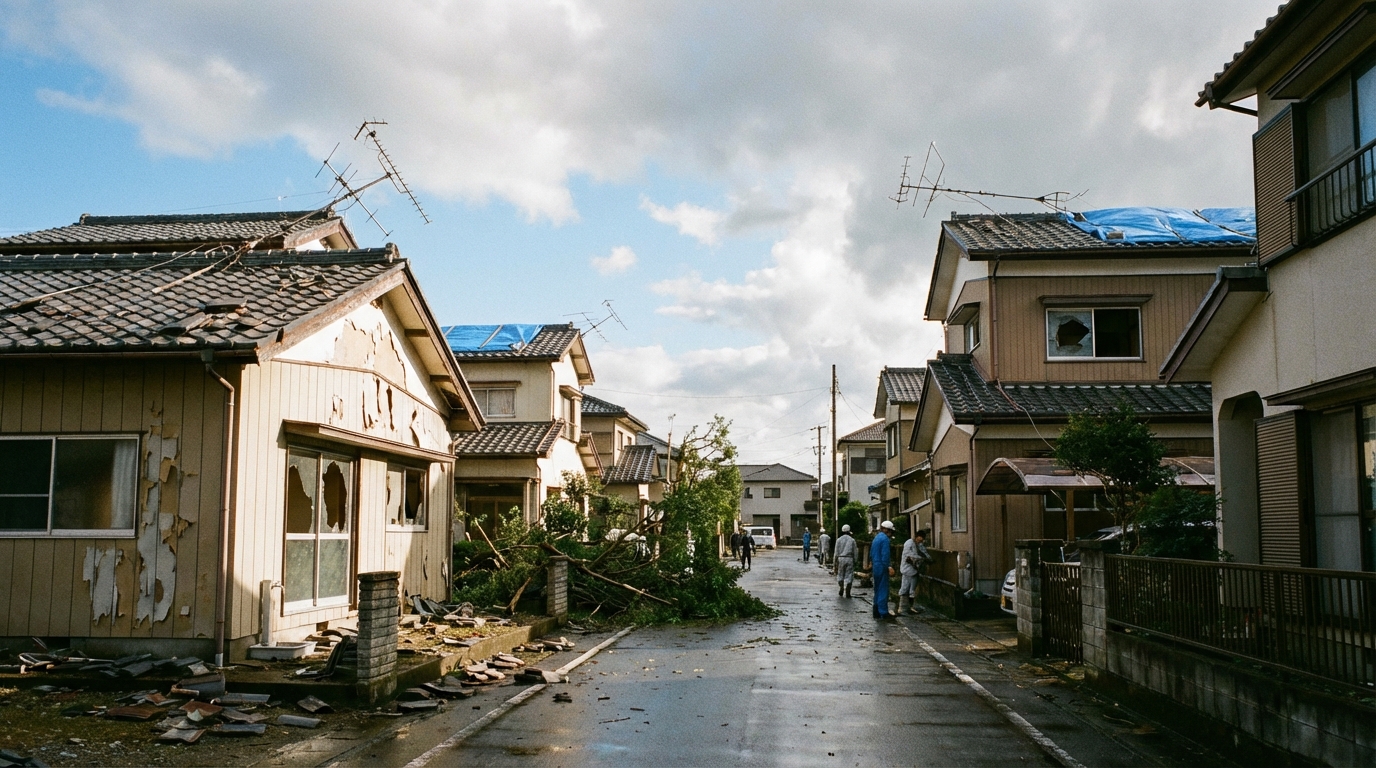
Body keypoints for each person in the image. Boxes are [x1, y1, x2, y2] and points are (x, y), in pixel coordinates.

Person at [898, 528, 932, 615]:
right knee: (905, 588)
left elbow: (924, 552)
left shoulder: (919, 544)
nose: (920, 541)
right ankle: (902, 608)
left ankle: (909, 607)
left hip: (915, 569)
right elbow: (909, 554)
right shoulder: (909, 543)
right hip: (907, 568)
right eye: (919, 539)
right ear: (916, 537)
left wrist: (929, 559)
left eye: (921, 540)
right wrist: (921, 558)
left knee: (912, 589)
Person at [871, 520, 895, 619]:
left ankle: (876, 610)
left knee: (877, 588)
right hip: (882, 566)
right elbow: (885, 555)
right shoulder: (885, 539)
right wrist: (888, 566)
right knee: (883, 589)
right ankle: (883, 611)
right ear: (887, 530)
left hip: (875, 565)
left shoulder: (876, 538)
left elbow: (871, 553)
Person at [834, 524, 857, 597]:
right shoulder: (852, 540)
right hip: (849, 558)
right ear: (849, 531)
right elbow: (855, 551)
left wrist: (834, 562)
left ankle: (841, 587)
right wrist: (855, 560)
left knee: (840, 574)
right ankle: (848, 590)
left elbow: (836, 552)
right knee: (849, 574)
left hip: (841, 558)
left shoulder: (839, 540)